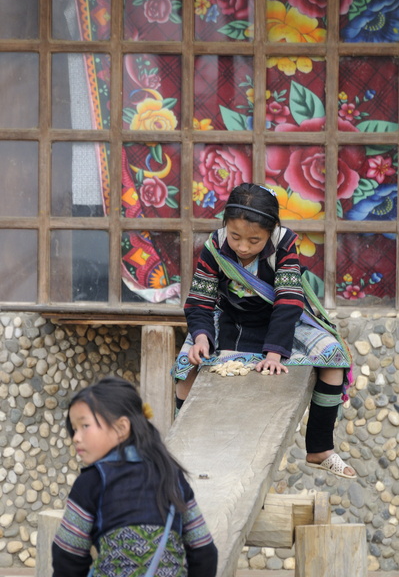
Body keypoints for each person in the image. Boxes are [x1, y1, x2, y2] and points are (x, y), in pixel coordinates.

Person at [172, 183, 356, 479]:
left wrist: (275, 352)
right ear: (225, 227)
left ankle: (320, 448)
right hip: (229, 320)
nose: (243, 247)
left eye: (254, 240)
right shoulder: (214, 247)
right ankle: (181, 455)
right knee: (185, 370)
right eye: (235, 237)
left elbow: (288, 299)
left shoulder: (285, 244)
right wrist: (202, 337)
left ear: (271, 232)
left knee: (333, 357)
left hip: (279, 324)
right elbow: (200, 299)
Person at [52, 376, 218, 577]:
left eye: (84, 426)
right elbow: (203, 550)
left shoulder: (92, 481)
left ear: (122, 428)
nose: (76, 437)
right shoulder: (170, 474)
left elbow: (68, 556)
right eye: (74, 429)